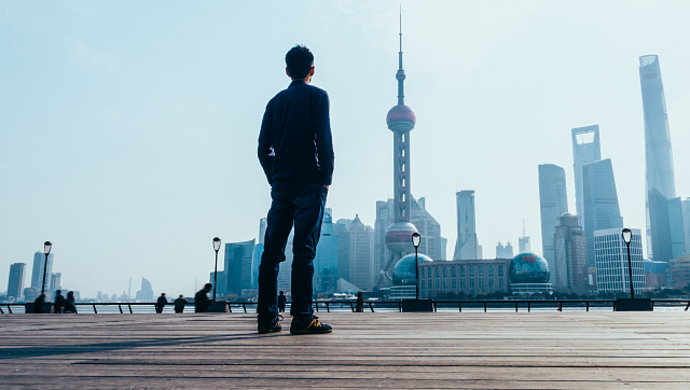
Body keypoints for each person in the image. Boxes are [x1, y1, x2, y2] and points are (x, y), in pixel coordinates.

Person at [257, 45, 334, 335]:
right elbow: (323, 141)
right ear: (312, 70)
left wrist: (274, 177)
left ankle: (266, 319)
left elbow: (262, 149)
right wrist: (325, 179)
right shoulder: (318, 96)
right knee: (304, 252)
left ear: (288, 71)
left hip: (282, 184)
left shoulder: (274, 102)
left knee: (271, 252)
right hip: (309, 184)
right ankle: (302, 317)